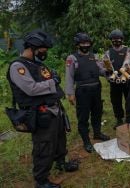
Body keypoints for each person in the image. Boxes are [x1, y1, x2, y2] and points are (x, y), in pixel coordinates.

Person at [7, 29, 78, 188]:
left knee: (60, 139)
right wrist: (53, 81)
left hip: (53, 109)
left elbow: (48, 78)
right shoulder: (18, 66)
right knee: (44, 146)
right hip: (39, 113)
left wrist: (53, 78)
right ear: (31, 48)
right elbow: (31, 88)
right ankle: (41, 180)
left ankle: (61, 162)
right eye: (42, 51)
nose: (44, 54)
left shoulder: (37, 64)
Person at [65, 32, 110, 153]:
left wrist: (110, 72)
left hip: (96, 89)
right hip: (82, 91)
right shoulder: (72, 58)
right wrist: (70, 94)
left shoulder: (94, 56)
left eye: (87, 43)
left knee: (97, 113)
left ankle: (97, 133)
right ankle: (86, 141)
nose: (85, 45)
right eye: (82, 43)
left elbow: (101, 71)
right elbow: (69, 77)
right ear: (77, 45)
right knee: (83, 116)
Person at [103, 29, 129, 129]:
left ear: (122, 40)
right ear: (111, 41)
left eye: (118, 39)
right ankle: (119, 119)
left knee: (129, 100)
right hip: (114, 81)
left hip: (127, 80)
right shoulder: (108, 53)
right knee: (116, 101)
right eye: (114, 40)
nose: (116, 41)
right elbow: (104, 67)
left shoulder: (128, 50)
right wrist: (108, 77)